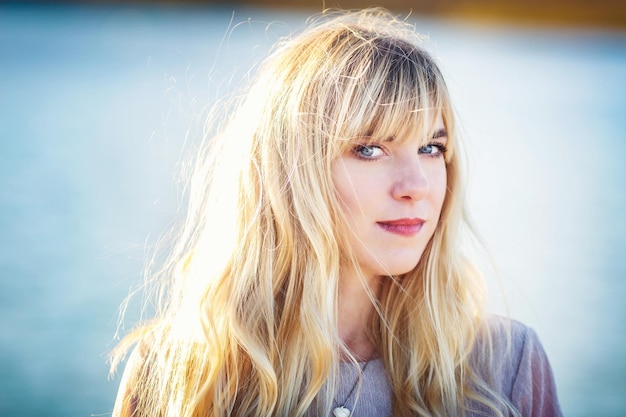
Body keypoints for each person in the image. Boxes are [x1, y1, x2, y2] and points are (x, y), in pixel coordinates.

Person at [110, 8, 562, 417]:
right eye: (369, 149)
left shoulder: (506, 367)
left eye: (431, 147)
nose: (417, 186)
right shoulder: (176, 370)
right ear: (289, 172)